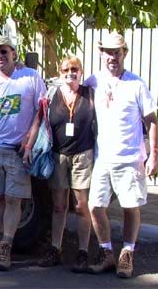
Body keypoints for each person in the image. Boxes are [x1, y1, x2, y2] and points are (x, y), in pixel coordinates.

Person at [84, 33, 158, 278]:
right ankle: (106, 253)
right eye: (107, 51)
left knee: (130, 206)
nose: (112, 56)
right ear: (101, 53)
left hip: (130, 159)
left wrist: (154, 154)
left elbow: (152, 121)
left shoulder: (136, 84)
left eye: (117, 52)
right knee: (95, 206)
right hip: (103, 158)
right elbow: (71, 87)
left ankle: (127, 253)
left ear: (124, 53)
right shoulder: (94, 80)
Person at [0, 36, 46, 270]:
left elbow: (40, 112)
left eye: (3, 51)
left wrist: (29, 144)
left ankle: (6, 247)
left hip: (17, 152)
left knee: (14, 200)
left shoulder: (31, 77)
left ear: (14, 53)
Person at [23, 56, 95, 272]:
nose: (70, 73)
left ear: (81, 71)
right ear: (60, 71)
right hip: (58, 155)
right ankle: (55, 248)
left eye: (74, 69)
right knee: (59, 205)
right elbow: (38, 120)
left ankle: (83, 252)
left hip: (83, 155)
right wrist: (28, 147)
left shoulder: (90, 94)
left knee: (82, 206)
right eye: (65, 69)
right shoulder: (52, 94)